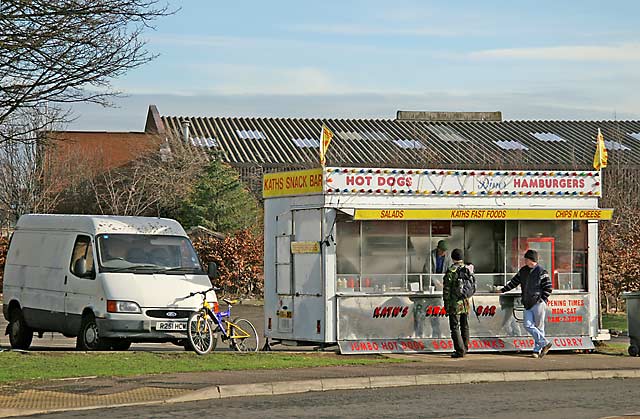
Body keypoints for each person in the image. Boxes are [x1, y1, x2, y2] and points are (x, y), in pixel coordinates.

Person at [500, 249, 553, 358]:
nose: (525, 261)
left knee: (539, 326)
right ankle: (544, 343)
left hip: (538, 303)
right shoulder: (523, 271)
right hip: (527, 303)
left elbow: (548, 287)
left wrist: (542, 299)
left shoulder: (542, 271)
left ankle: (536, 350)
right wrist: (503, 290)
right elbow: (514, 282)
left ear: (531, 259)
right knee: (528, 325)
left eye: (527, 259)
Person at [442, 248, 470, 358]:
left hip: (455, 303)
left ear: (452, 258)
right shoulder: (467, 269)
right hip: (465, 302)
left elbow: (447, 290)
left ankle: (459, 350)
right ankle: (465, 348)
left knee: (454, 326)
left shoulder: (451, 271)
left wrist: (446, 304)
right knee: (465, 325)